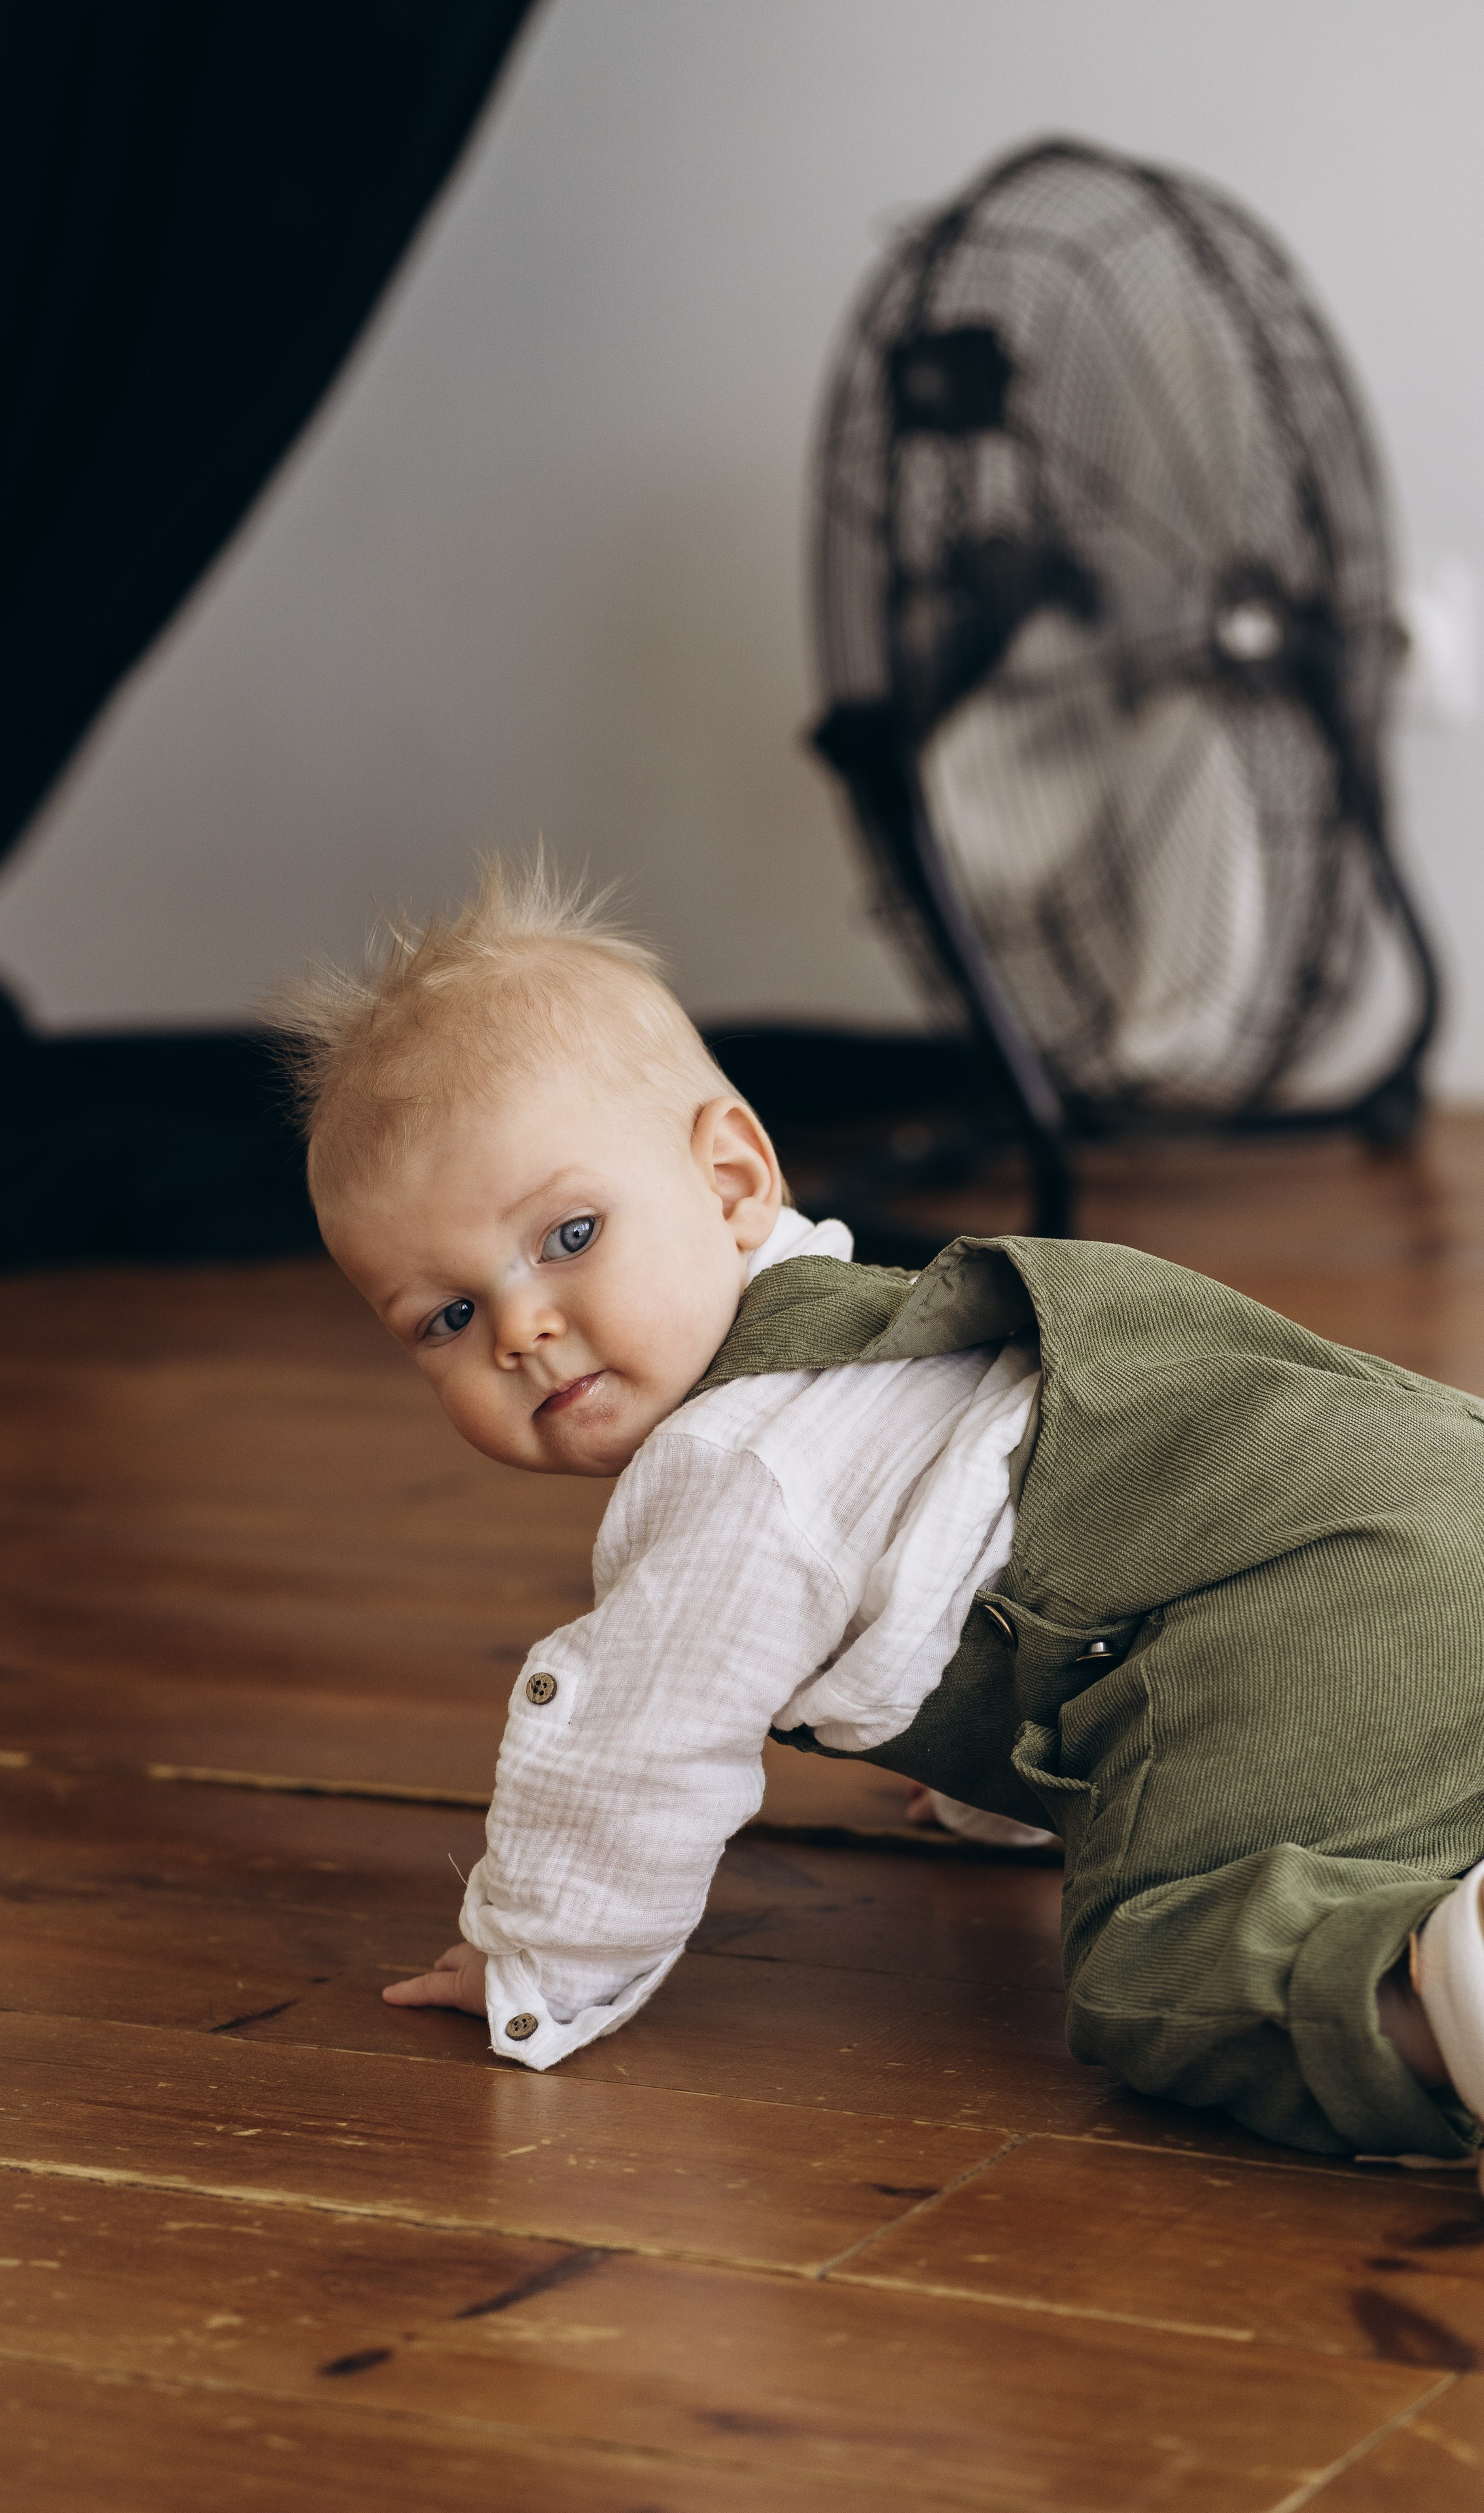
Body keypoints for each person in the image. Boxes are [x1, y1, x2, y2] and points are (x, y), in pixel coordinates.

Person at [275, 858, 1484, 2162]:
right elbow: (1032, 1537)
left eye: (568, 1237)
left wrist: (533, 1958)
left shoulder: (736, 1467)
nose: (523, 1328)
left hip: (1319, 1608)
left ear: (733, 1180)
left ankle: (1442, 1993)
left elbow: (635, 1742)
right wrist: (1001, 1798)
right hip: (1415, 1486)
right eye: (447, 1316)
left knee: (1166, 1965)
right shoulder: (893, 1336)